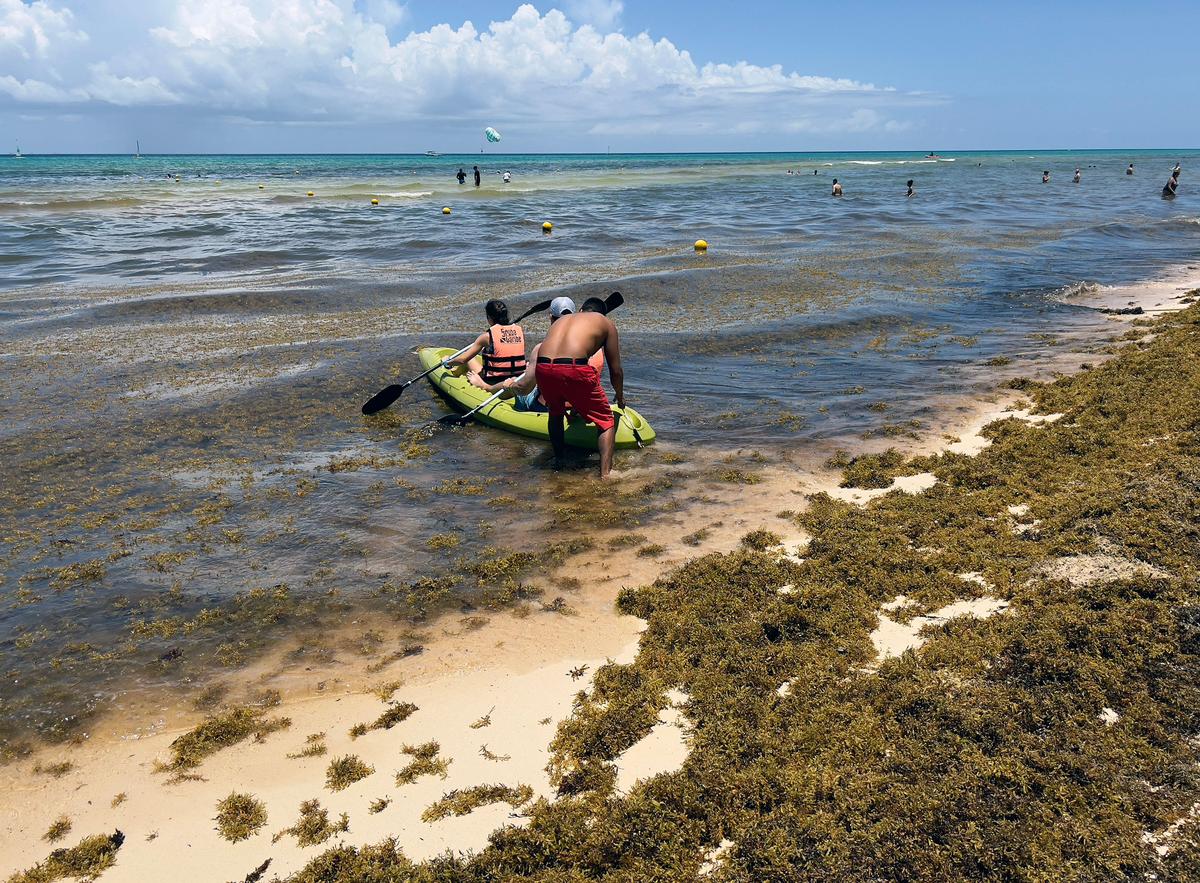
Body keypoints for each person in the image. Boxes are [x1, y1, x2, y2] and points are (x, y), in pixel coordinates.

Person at [535, 297, 624, 478]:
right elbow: (616, 371)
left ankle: (559, 460)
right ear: (603, 313)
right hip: (573, 367)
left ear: (581, 309)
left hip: (542, 367)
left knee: (556, 412)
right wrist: (620, 396)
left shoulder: (562, 320)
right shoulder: (606, 324)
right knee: (606, 421)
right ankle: (606, 475)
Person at [471, 296, 603, 413]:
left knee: (517, 385)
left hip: (544, 407)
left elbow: (523, 388)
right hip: (580, 406)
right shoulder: (595, 349)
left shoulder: (543, 349)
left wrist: (509, 385)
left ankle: (485, 386)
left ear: (551, 317)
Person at [445, 299, 527, 389]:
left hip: (494, 382)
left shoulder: (486, 337)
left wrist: (448, 363)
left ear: (489, 318)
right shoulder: (518, 331)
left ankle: (452, 369)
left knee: (468, 358)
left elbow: (462, 360)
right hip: (517, 378)